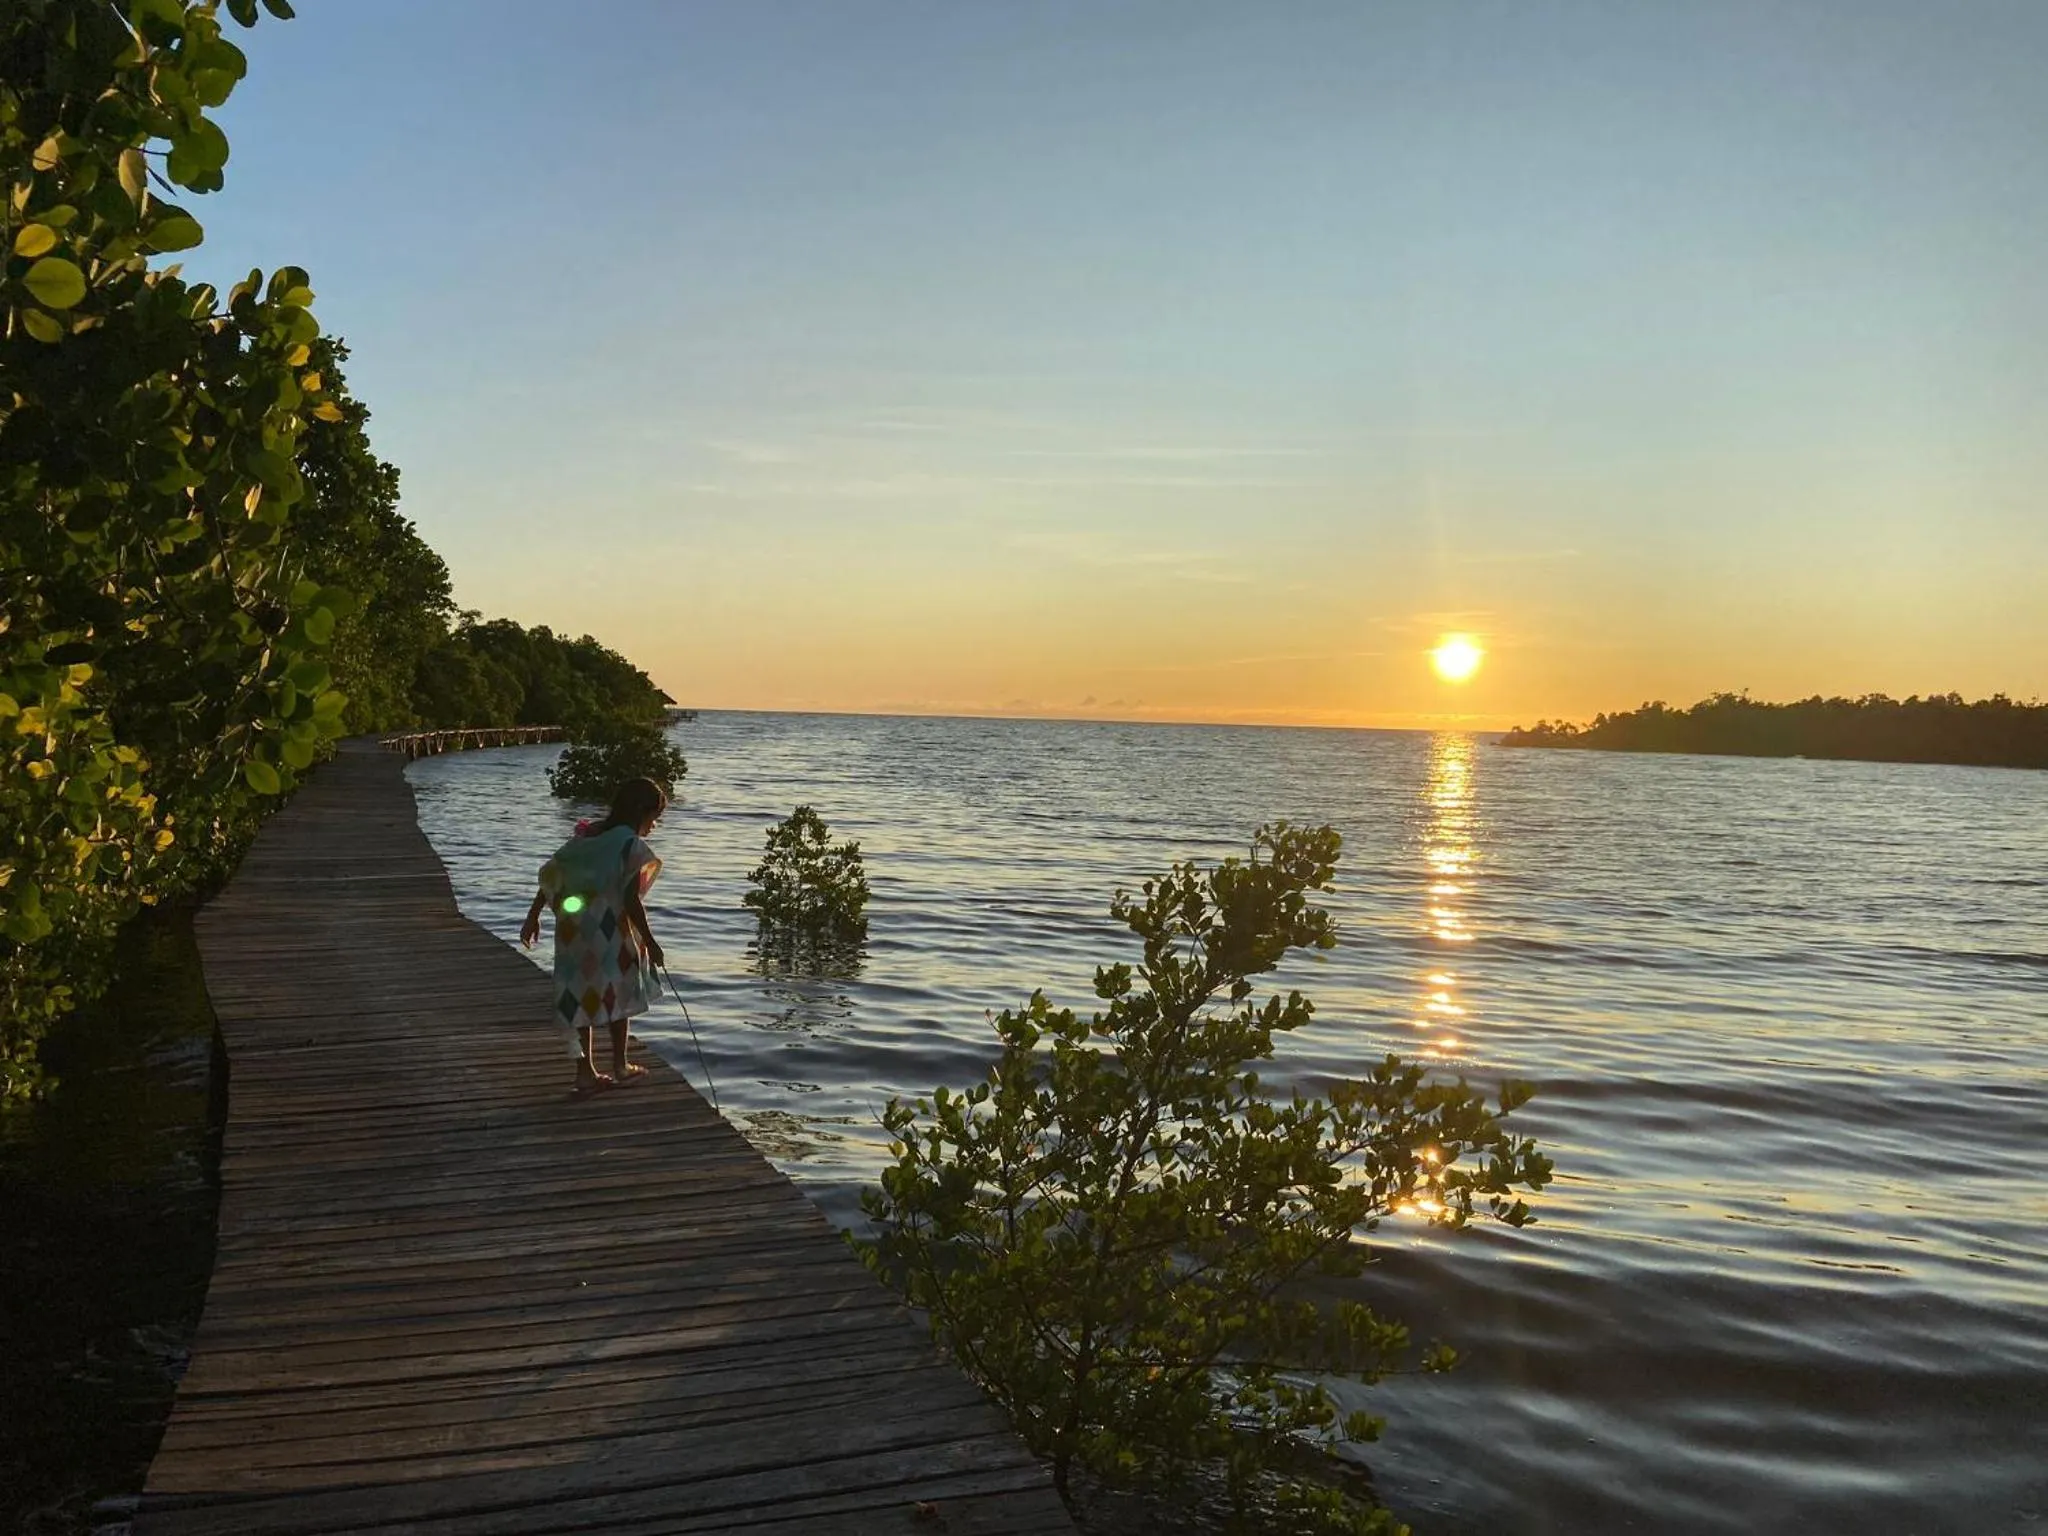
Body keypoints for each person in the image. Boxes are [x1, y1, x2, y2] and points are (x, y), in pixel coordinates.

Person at [520, 777, 668, 1092]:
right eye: (654, 818)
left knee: (580, 993)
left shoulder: (588, 836)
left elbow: (553, 874)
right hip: (611, 930)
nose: (654, 826)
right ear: (641, 811)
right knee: (621, 990)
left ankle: (585, 1072)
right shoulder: (630, 845)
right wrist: (651, 942)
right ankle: (620, 1064)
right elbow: (631, 901)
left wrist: (533, 916)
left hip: (574, 931)